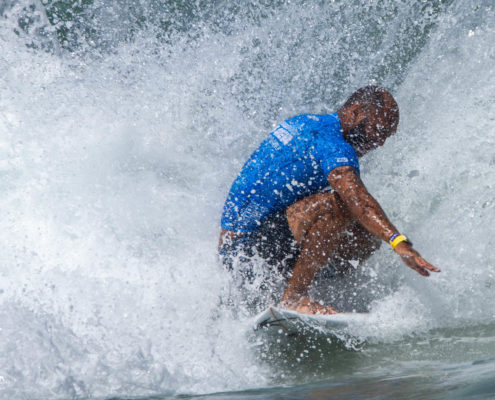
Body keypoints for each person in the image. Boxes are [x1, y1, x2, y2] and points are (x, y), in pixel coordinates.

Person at [218, 85, 440, 315]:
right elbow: (358, 200)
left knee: (367, 234)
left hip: (241, 249)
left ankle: (314, 287)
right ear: (355, 112)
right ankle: (294, 298)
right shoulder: (331, 144)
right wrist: (398, 242)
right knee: (340, 207)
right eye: (380, 130)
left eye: (386, 135)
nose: (380, 142)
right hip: (247, 256)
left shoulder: (307, 122)